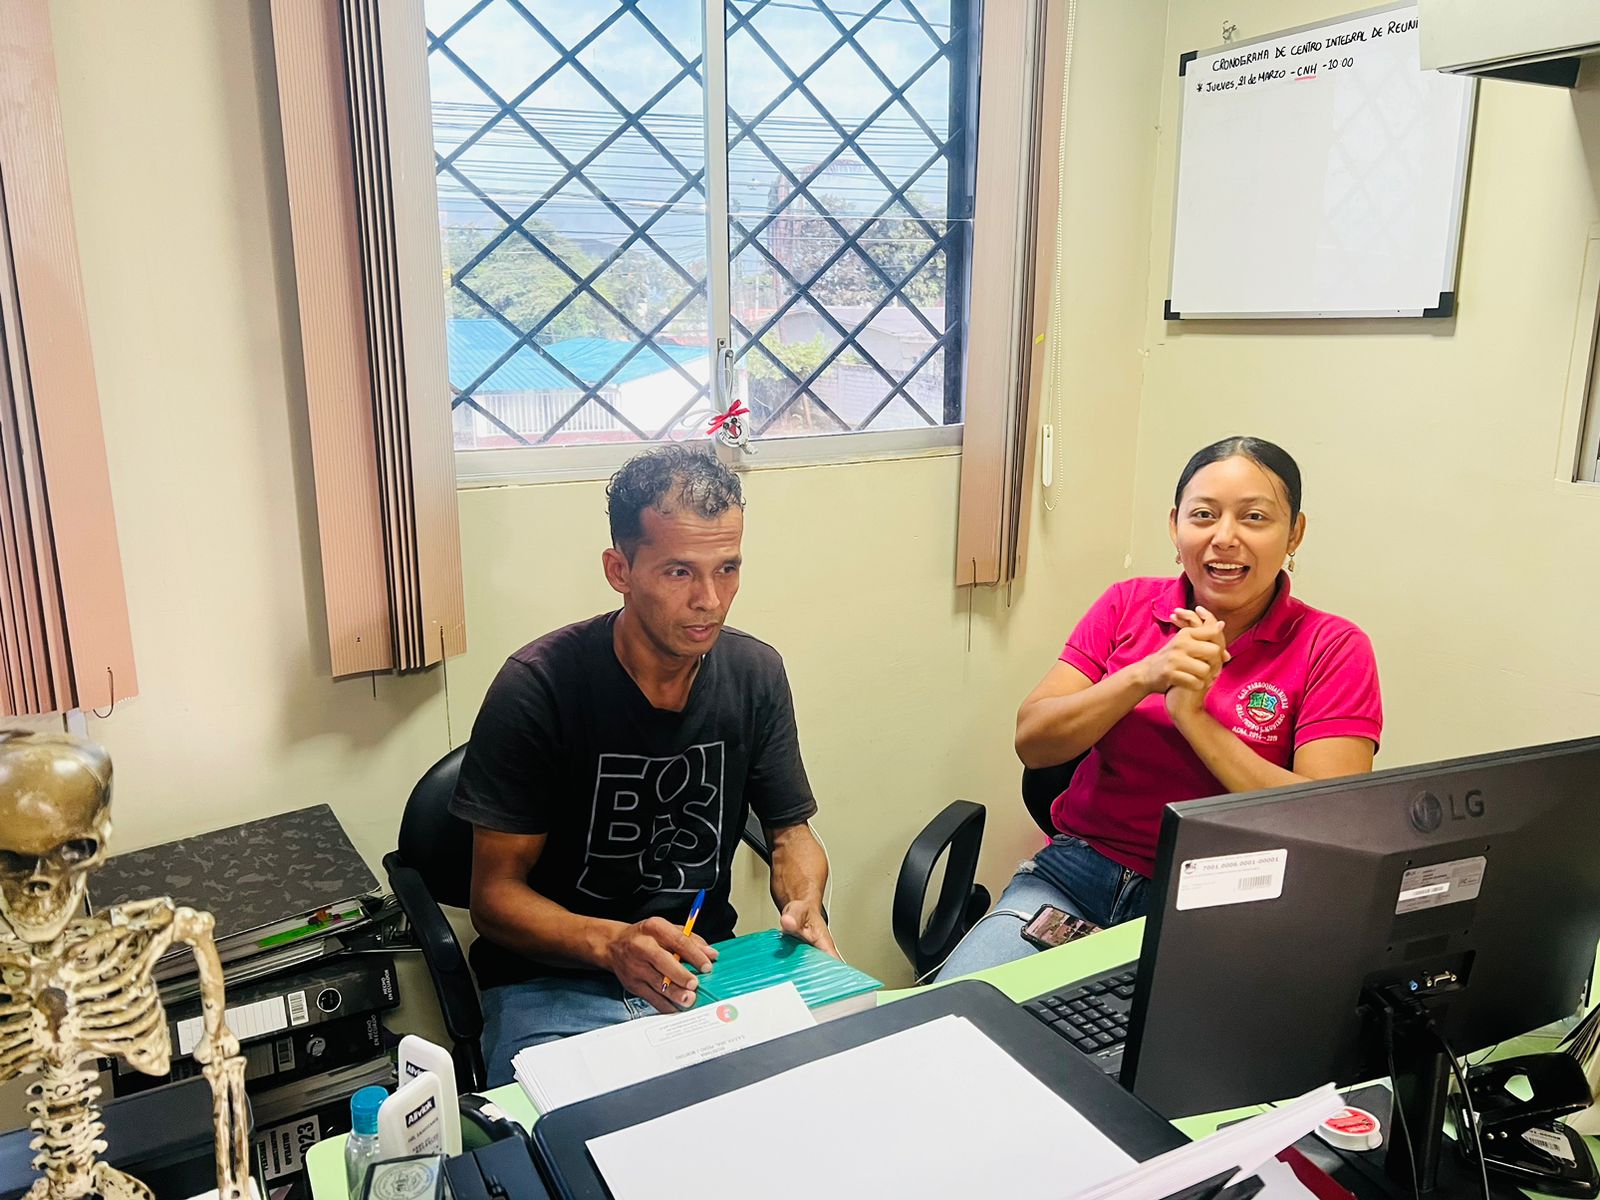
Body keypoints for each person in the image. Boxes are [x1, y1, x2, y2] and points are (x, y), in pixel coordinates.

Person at [452, 445, 833, 1084]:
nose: (710, 600)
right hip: (555, 985)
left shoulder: (755, 673)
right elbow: (492, 899)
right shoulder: (538, 686)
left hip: (704, 968)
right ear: (619, 570)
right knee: (578, 1139)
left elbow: (790, 833)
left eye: (728, 568)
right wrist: (611, 944)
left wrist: (804, 901)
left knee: (815, 1098)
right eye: (679, 572)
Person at [937, 436, 1381, 978]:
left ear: (1294, 533)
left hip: (1225, 898)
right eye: (1204, 515)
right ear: (1175, 526)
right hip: (1077, 874)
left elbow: (1326, 821)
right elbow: (1034, 741)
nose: (1224, 538)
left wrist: (1192, 718)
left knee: (1144, 1031)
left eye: (1254, 517)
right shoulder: (1127, 604)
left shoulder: (1331, 646)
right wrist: (1144, 675)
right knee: (964, 1009)